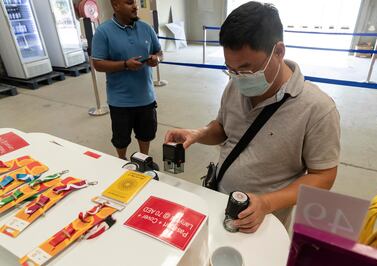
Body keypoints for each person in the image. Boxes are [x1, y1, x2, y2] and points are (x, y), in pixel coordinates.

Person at [165, 1, 340, 233]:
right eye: (231, 69)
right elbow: (224, 128)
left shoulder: (317, 109)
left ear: (278, 51)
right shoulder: (235, 85)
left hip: (264, 223)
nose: (239, 78)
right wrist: (198, 134)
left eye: (247, 69)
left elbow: (323, 175)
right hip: (219, 203)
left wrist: (267, 203)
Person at [92, 0, 162, 160]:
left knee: (146, 133)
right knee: (121, 138)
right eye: (129, 3)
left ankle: (144, 159)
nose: (135, 6)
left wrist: (156, 59)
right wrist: (125, 65)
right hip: (120, 101)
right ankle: (121, 162)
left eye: (135, 2)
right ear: (116, 6)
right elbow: (98, 64)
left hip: (146, 97)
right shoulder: (103, 32)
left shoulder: (146, 28)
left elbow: (159, 52)